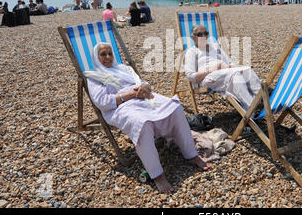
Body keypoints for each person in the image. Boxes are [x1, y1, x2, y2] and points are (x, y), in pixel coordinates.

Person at [85, 43, 209, 193]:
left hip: (142, 98)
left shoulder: (123, 69)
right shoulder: (94, 77)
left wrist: (145, 87)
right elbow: (103, 102)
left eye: (110, 53)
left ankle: (191, 154)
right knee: (142, 123)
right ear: (96, 58)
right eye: (103, 54)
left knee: (175, 107)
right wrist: (130, 94)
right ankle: (157, 175)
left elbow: (141, 82)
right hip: (120, 107)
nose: (108, 57)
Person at [184, 25, 262, 111]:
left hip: (225, 72)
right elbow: (191, 77)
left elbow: (230, 63)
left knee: (247, 70)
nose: (203, 36)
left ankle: (261, 100)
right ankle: (251, 108)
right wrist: (214, 68)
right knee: (234, 75)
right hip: (207, 78)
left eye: (205, 33)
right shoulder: (191, 52)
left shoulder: (215, 47)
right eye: (200, 34)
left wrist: (238, 68)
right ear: (193, 37)